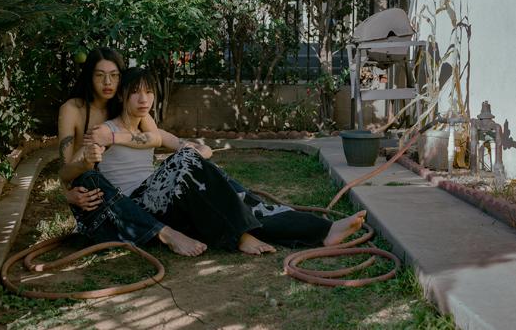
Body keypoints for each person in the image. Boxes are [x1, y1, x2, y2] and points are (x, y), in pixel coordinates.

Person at [77, 66, 367, 255]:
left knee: (243, 199)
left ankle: (322, 231)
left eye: (149, 92)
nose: (144, 99)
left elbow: (199, 150)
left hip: (164, 203)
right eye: (135, 93)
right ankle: (239, 237)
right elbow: (78, 166)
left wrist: (196, 155)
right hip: (136, 210)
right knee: (186, 164)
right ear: (122, 97)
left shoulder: (149, 130)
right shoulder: (105, 130)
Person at [58, 48, 207, 256]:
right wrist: (68, 195)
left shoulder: (127, 103)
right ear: (89, 77)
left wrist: (113, 137)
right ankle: (163, 232)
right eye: (100, 76)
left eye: (114, 76)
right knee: (90, 178)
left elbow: (156, 137)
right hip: (94, 191)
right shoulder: (73, 109)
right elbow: (65, 171)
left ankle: (161, 230)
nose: (108, 82)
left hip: (131, 193)